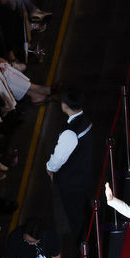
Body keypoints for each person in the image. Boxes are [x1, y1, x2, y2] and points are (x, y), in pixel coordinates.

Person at [46, 88, 95, 247]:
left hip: (71, 182)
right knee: (84, 212)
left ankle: (83, 249)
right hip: (84, 174)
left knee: (75, 217)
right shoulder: (86, 121)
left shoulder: (70, 133)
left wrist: (50, 168)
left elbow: (58, 158)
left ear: (65, 105)